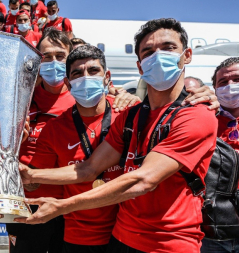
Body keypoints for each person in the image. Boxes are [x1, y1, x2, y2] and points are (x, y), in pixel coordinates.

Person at [18, 18, 219, 253]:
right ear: (140, 66)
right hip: (121, 237)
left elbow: (142, 180)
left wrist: (62, 206)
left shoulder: (196, 114)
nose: (158, 56)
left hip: (168, 243)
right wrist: (30, 174)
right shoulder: (130, 117)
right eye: (148, 51)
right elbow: (88, 169)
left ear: (187, 55)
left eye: (168, 48)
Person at [7, 28, 139, 253]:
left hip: (87, 214)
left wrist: (132, 99)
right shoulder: (21, 99)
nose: (53, 62)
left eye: (60, 56)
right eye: (46, 57)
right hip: (37, 204)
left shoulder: (110, 103)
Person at [30, 44, 125, 252]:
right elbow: (34, 180)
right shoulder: (54, 129)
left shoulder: (128, 114)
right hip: (79, 236)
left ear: (107, 76)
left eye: (93, 71)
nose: (85, 78)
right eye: (77, 74)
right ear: (68, 83)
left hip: (126, 233)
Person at [204, 57, 239, 252]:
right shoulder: (204, 120)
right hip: (215, 230)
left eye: (237, 80)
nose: (230, 86)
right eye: (223, 83)